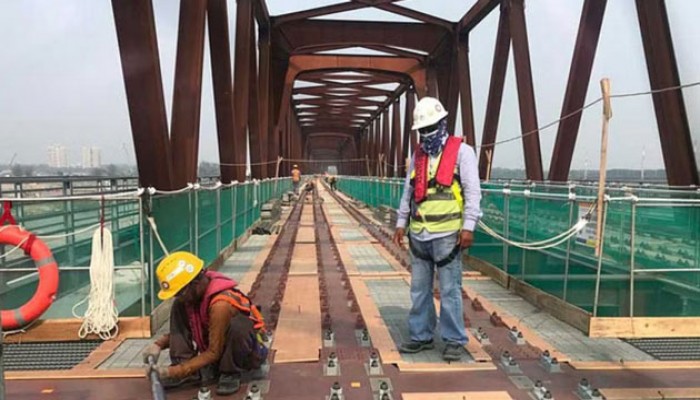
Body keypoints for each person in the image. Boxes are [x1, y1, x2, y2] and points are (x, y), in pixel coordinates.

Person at [392, 96, 482, 362]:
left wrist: (469, 227)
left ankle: (454, 339)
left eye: (430, 127)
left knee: (449, 289)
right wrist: (400, 222)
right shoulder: (418, 156)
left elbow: (473, 192)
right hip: (418, 233)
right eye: (422, 130)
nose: (426, 134)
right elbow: (408, 191)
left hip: (448, 236)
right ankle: (421, 336)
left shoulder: (462, 153)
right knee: (419, 289)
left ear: (443, 123)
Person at [143, 252, 268, 395]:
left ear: (195, 283)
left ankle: (230, 372)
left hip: (244, 355)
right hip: (216, 346)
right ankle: (185, 368)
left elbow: (214, 352)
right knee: (179, 306)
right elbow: (188, 326)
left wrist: (172, 372)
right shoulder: (193, 296)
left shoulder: (220, 305)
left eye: (179, 293)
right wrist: (159, 344)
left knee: (238, 327)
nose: (178, 298)